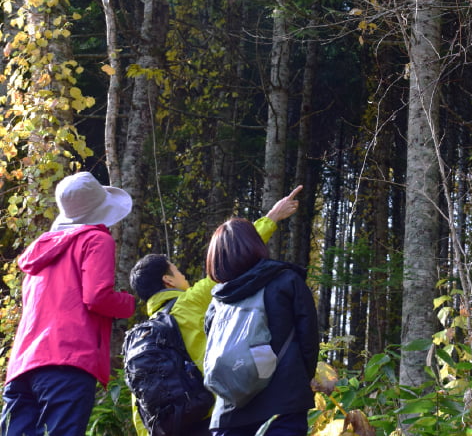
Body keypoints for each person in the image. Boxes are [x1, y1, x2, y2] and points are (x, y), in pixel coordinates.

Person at [128, 186, 304, 436]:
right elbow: (232, 256)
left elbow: (140, 399)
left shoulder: (140, 336)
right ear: (168, 280)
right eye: (177, 271)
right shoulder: (189, 303)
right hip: (205, 414)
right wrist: (272, 218)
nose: (184, 275)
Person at [0, 171, 135, 436]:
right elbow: (97, 297)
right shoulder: (96, 239)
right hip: (68, 360)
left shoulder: (39, 255)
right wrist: (127, 303)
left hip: (23, 365)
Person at [204, 217, 319, 436]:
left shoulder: (217, 301)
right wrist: (300, 381)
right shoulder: (287, 281)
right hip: (283, 406)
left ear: (215, 259)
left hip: (228, 412)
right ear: (255, 244)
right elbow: (308, 341)